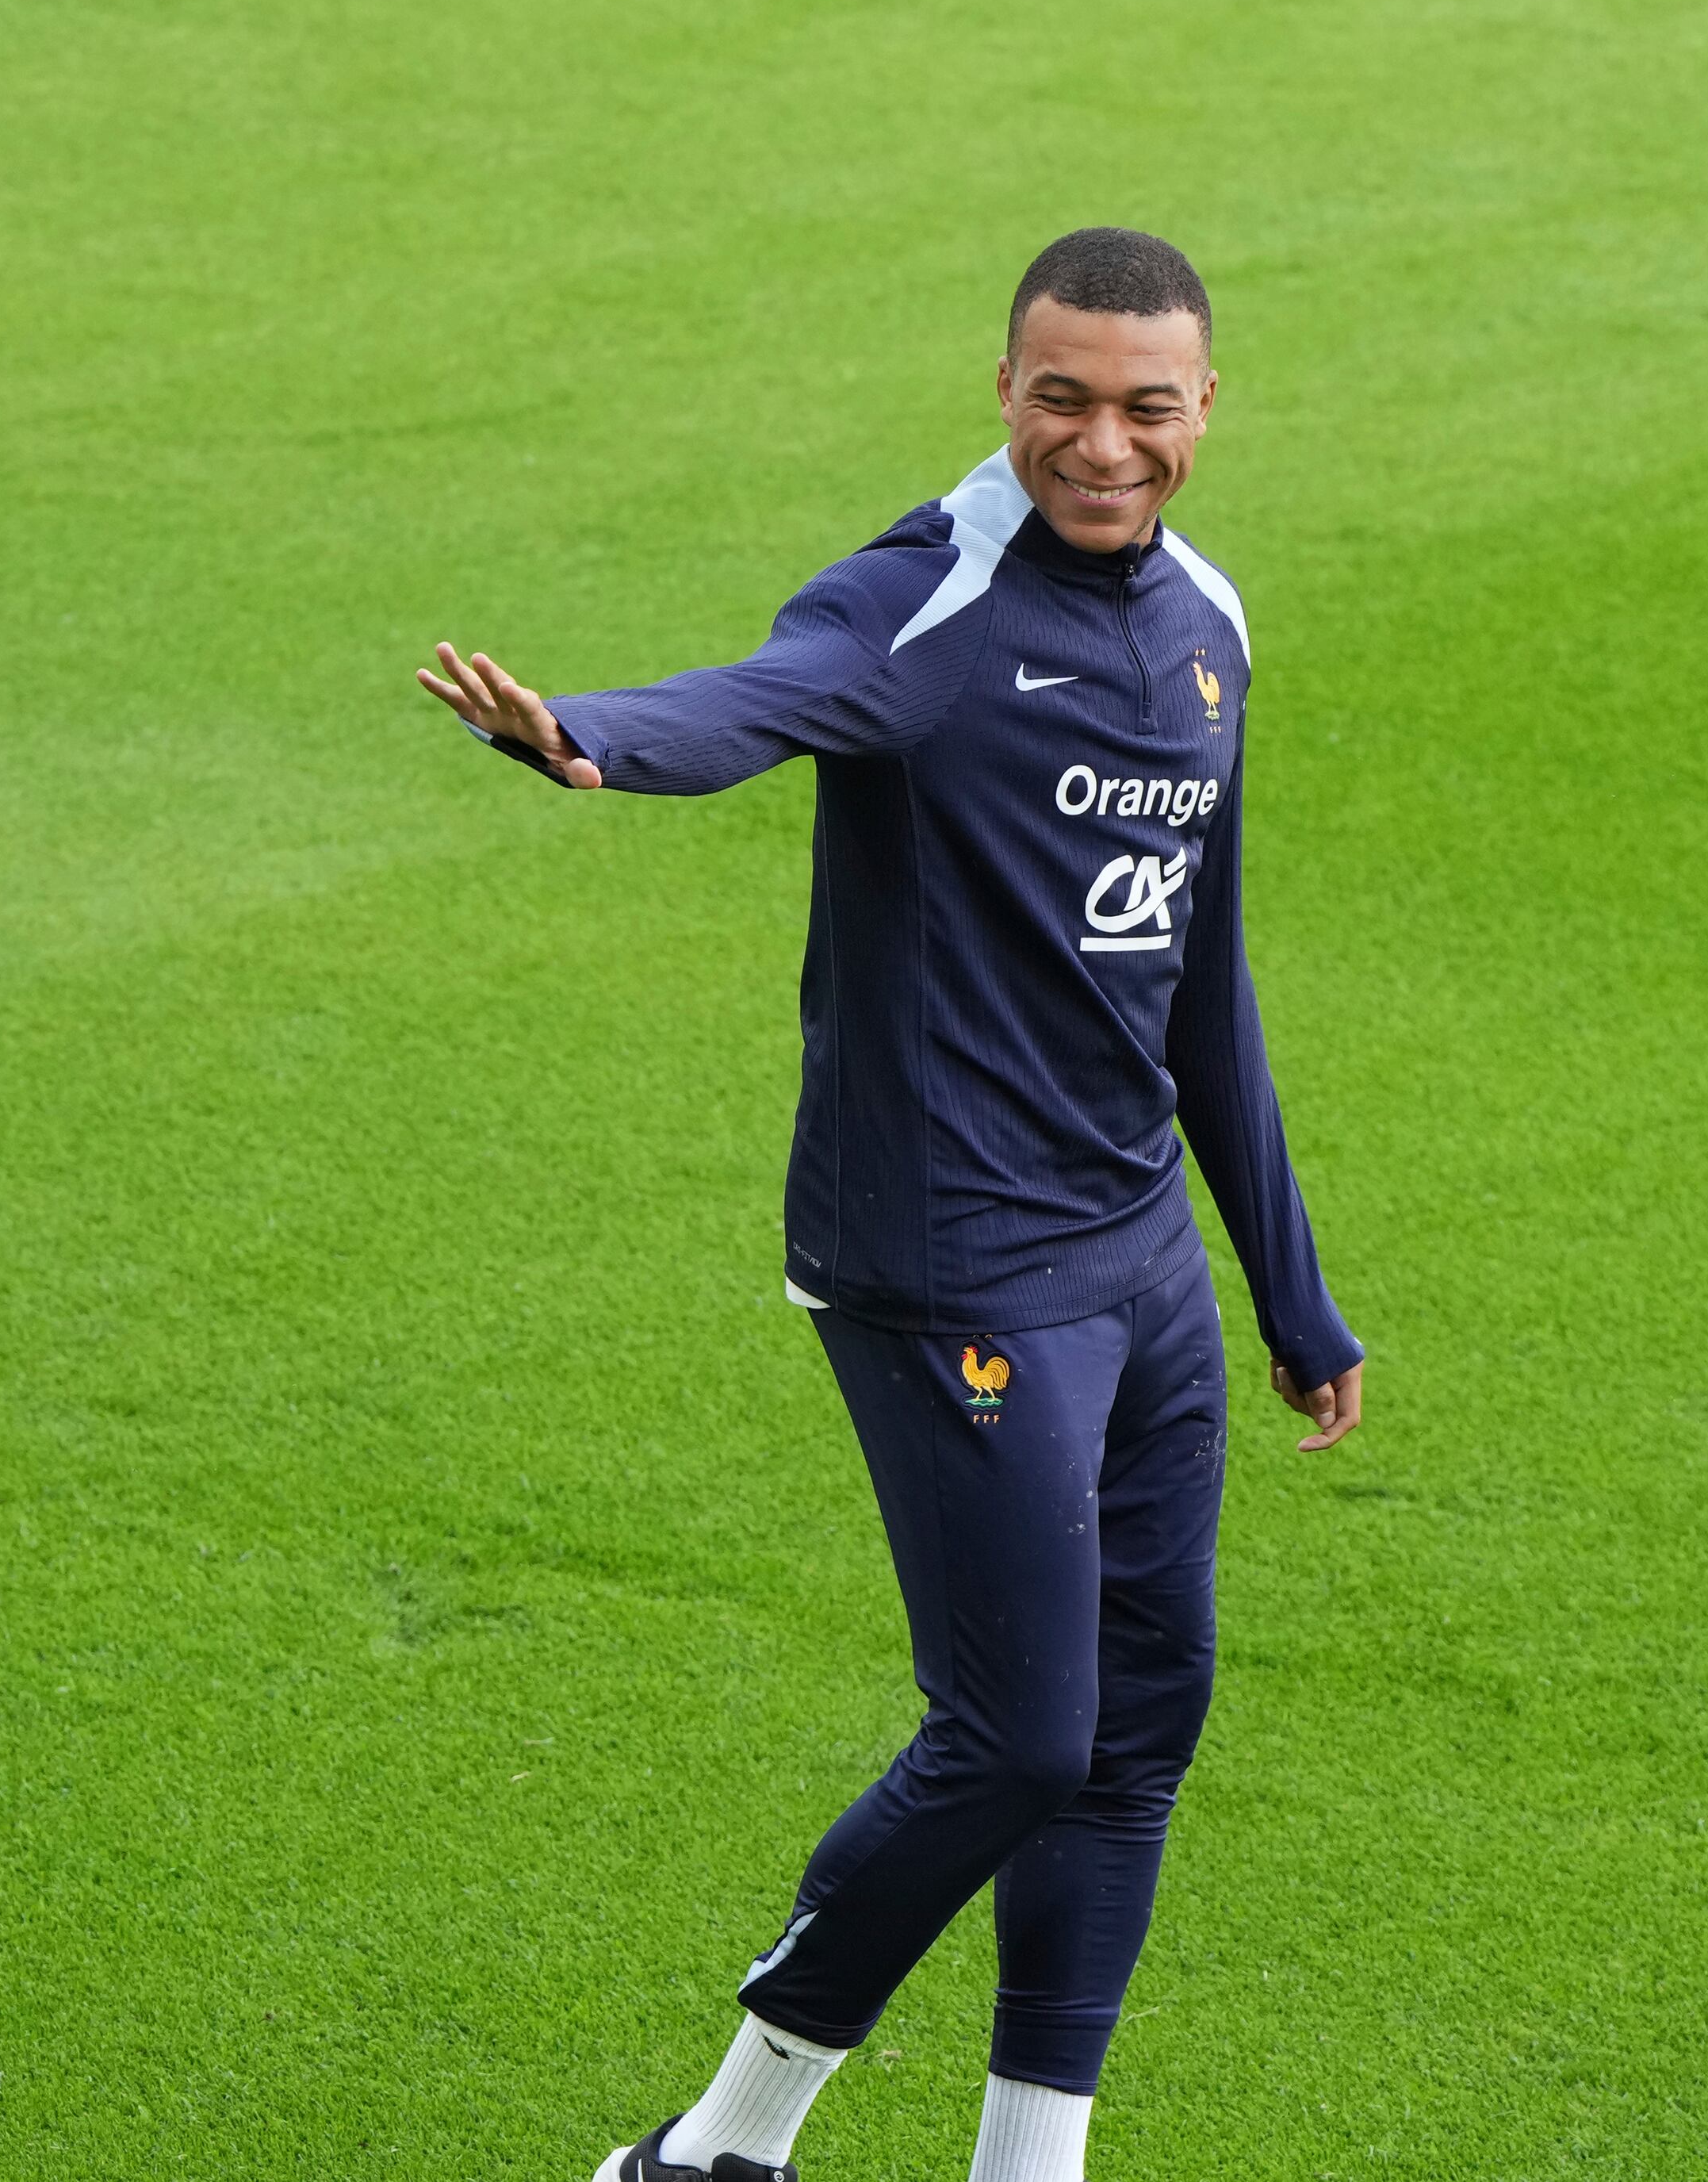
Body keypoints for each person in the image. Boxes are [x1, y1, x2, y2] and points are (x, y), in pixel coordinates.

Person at [418, 225, 1364, 2182]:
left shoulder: (1209, 622)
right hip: (951, 1259)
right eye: (1061, 398)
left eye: (1145, 404)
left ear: (1206, 409)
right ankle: (716, 2148)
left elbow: (1202, 975)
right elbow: (758, 699)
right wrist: (585, 737)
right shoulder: (921, 603)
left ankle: (1030, 2169)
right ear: (1002, 390)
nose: (1103, 443)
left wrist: (1286, 1286)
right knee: (1015, 1740)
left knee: (1133, 1733)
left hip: (1136, 1265)